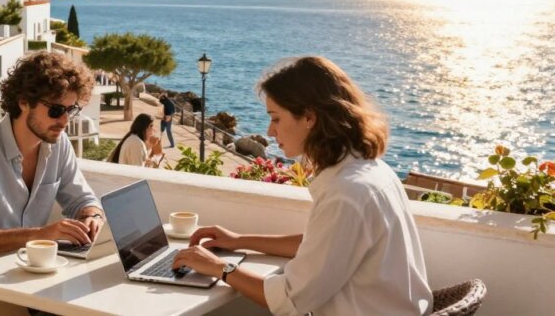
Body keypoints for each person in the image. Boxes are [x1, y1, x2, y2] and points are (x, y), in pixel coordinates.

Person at [172, 57, 432, 316]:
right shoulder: (370, 170)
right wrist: (238, 240)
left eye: (275, 118)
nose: (270, 131)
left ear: (309, 117)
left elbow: (290, 299)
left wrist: (220, 269)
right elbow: (320, 247)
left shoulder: (347, 193)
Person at [0, 52, 105, 316]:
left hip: (27, 273)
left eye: (71, 110)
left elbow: (83, 201)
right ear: (24, 102)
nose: (65, 121)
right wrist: (41, 234)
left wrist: (92, 216)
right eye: (56, 110)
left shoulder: (57, 145)